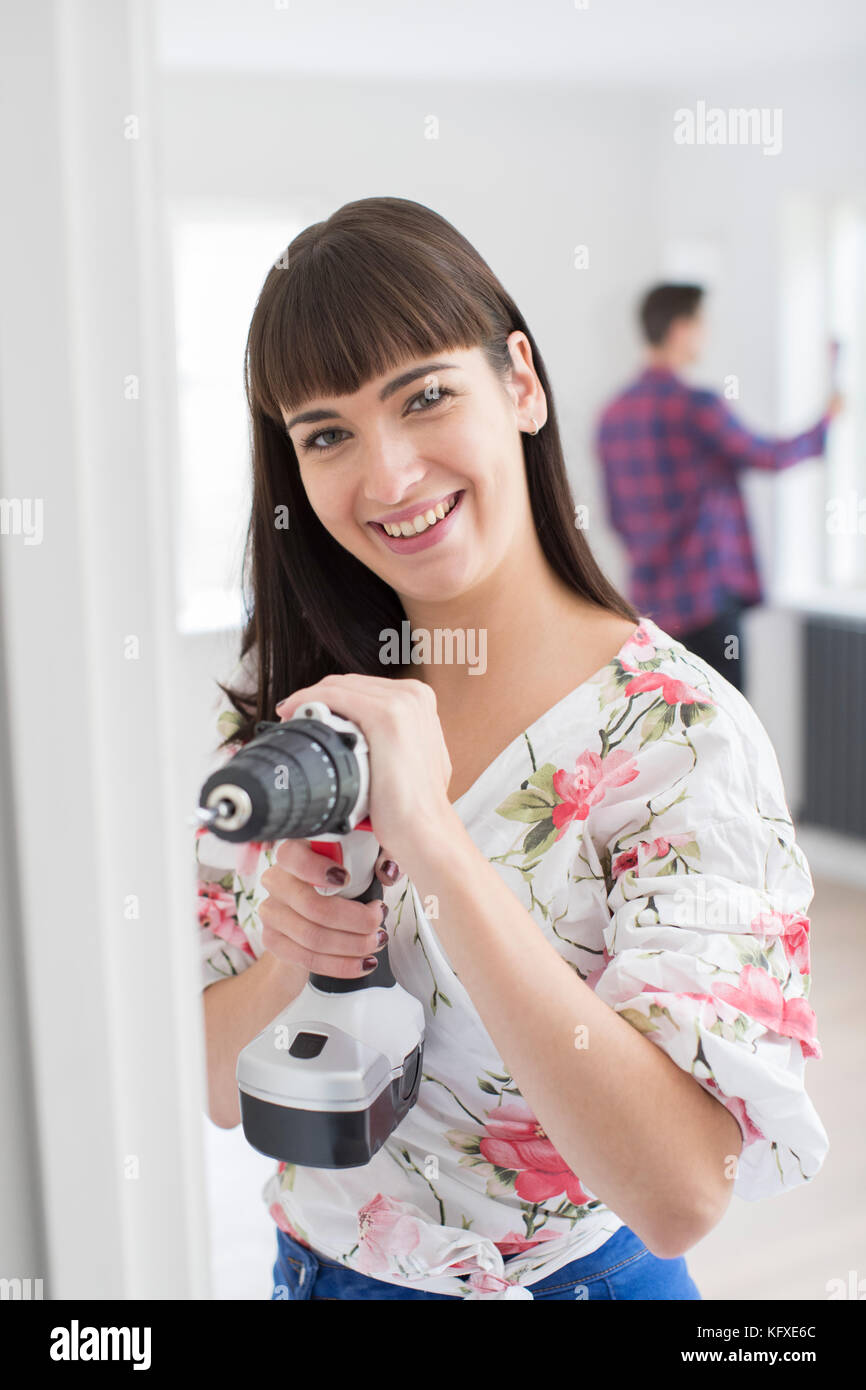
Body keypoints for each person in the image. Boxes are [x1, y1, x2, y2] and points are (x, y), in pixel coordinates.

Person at [195, 200, 828, 1302]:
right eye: (327, 433)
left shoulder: (677, 735)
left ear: (520, 384)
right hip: (311, 1275)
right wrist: (294, 949)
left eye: (426, 396)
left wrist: (435, 848)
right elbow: (216, 1088)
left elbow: (681, 1191)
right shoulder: (294, 720)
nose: (387, 477)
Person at [595, 283, 843, 692]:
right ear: (680, 329)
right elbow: (769, 455)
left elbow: (616, 518)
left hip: (651, 614)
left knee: (668, 742)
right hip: (707, 603)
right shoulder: (696, 405)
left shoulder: (612, 416)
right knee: (730, 737)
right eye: (701, 324)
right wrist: (827, 422)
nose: (705, 334)